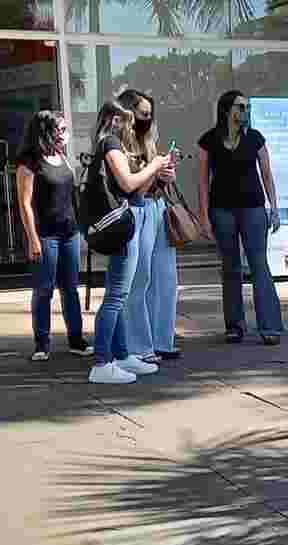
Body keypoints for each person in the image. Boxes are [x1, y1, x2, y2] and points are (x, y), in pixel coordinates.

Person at [87, 100, 174, 384]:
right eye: (129, 119)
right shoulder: (110, 143)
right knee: (116, 298)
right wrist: (155, 165)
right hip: (122, 224)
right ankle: (102, 362)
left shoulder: (110, 143)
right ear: (115, 120)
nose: (134, 125)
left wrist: (155, 171)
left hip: (126, 220)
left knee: (118, 294)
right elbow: (127, 183)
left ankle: (122, 355)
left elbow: (135, 186)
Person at [199, 90, 284, 345]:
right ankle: (234, 326)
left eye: (247, 108)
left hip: (254, 208)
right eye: (241, 107)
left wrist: (274, 207)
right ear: (227, 110)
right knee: (230, 267)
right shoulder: (209, 140)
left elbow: (267, 175)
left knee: (259, 265)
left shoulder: (256, 138)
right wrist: (203, 216)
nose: (245, 112)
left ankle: (270, 326)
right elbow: (203, 182)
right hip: (222, 209)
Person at [14, 110, 92, 362]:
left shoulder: (63, 158)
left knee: (70, 289)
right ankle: (42, 343)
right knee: (44, 290)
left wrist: (84, 227)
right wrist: (33, 239)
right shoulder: (29, 164)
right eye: (59, 130)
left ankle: (76, 339)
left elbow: (72, 196)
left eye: (65, 130)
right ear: (45, 132)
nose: (64, 135)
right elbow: (24, 204)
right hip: (46, 236)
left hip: (70, 233)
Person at [116, 89, 180, 363]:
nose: (148, 120)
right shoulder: (117, 145)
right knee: (139, 279)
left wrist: (166, 173)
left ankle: (162, 339)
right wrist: (154, 169)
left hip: (157, 206)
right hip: (135, 210)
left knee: (165, 278)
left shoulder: (149, 140)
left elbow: (155, 180)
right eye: (143, 114)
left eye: (150, 115)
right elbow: (130, 186)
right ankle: (139, 345)